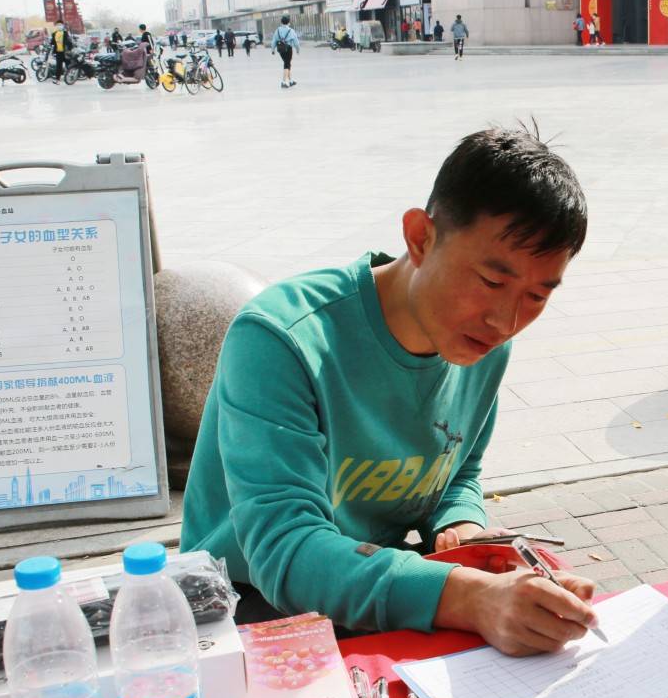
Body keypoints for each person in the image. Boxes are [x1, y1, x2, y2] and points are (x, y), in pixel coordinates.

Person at [180, 125, 600, 650]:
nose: (504, 321)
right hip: (247, 606)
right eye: (492, 281)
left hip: (381, 584)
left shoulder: (481, 344)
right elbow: (283, 547)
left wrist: (466, 533)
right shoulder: (282, 338)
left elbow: (457, 468)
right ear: (421, 237)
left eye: (537, 295)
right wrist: (469, 596)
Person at [270, 15, 300, 88]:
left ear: (281, 22)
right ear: (288, 22)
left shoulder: (277, 30)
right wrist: (297, 50)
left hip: (280, 49)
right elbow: (296, 42)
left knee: (287, 63)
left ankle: (291, 81)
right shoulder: (291, 30)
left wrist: (273, 49)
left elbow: (274, 40)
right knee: (287, 64)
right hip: (288, 49)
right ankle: (283, 82)